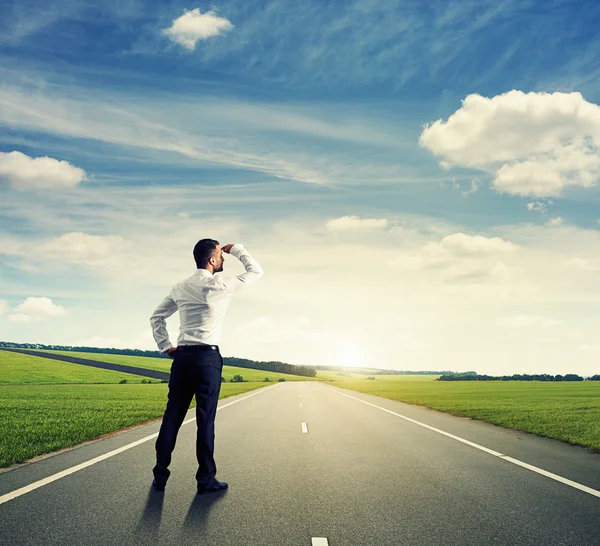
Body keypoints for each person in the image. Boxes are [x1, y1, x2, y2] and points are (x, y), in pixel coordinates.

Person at [149, 239, 263, 494]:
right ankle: (205, 479)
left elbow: (156, 316)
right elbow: (256, 271)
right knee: (205, 420)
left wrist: (165, 346)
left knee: (172, 416)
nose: (222, 260)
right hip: (208, 361)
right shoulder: (222, 284)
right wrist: (236, 249)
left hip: (182, 358)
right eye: (219, 256)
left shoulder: (180, 287)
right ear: (212, 260)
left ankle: (160, 474)